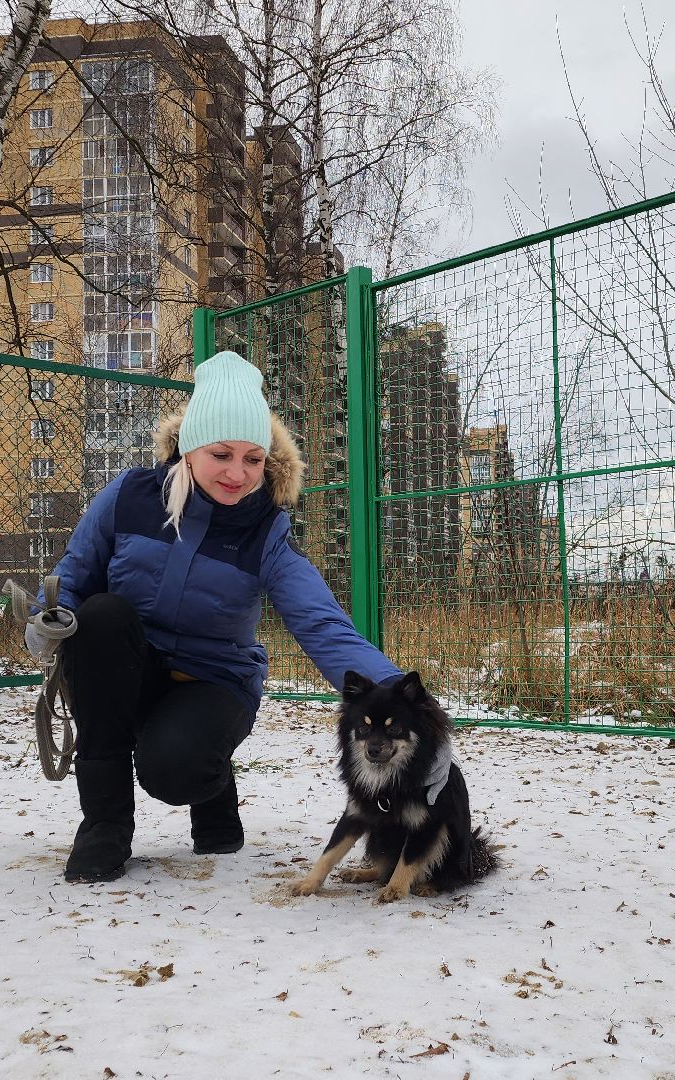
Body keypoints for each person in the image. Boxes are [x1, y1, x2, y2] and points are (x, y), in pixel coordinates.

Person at [24, 350, 440, 884]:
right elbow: (77, 573)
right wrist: (47, 616)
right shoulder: (130, 494)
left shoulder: (265, 532)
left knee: (175, 770)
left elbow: (322, 625)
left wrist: (412, 710)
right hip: (129, 668)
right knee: (101, 616)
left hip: (213, 680)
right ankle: (104, 825)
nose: (238, 474)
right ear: (189, 448)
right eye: (222, 454)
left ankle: (213, 784)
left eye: (254, 458)